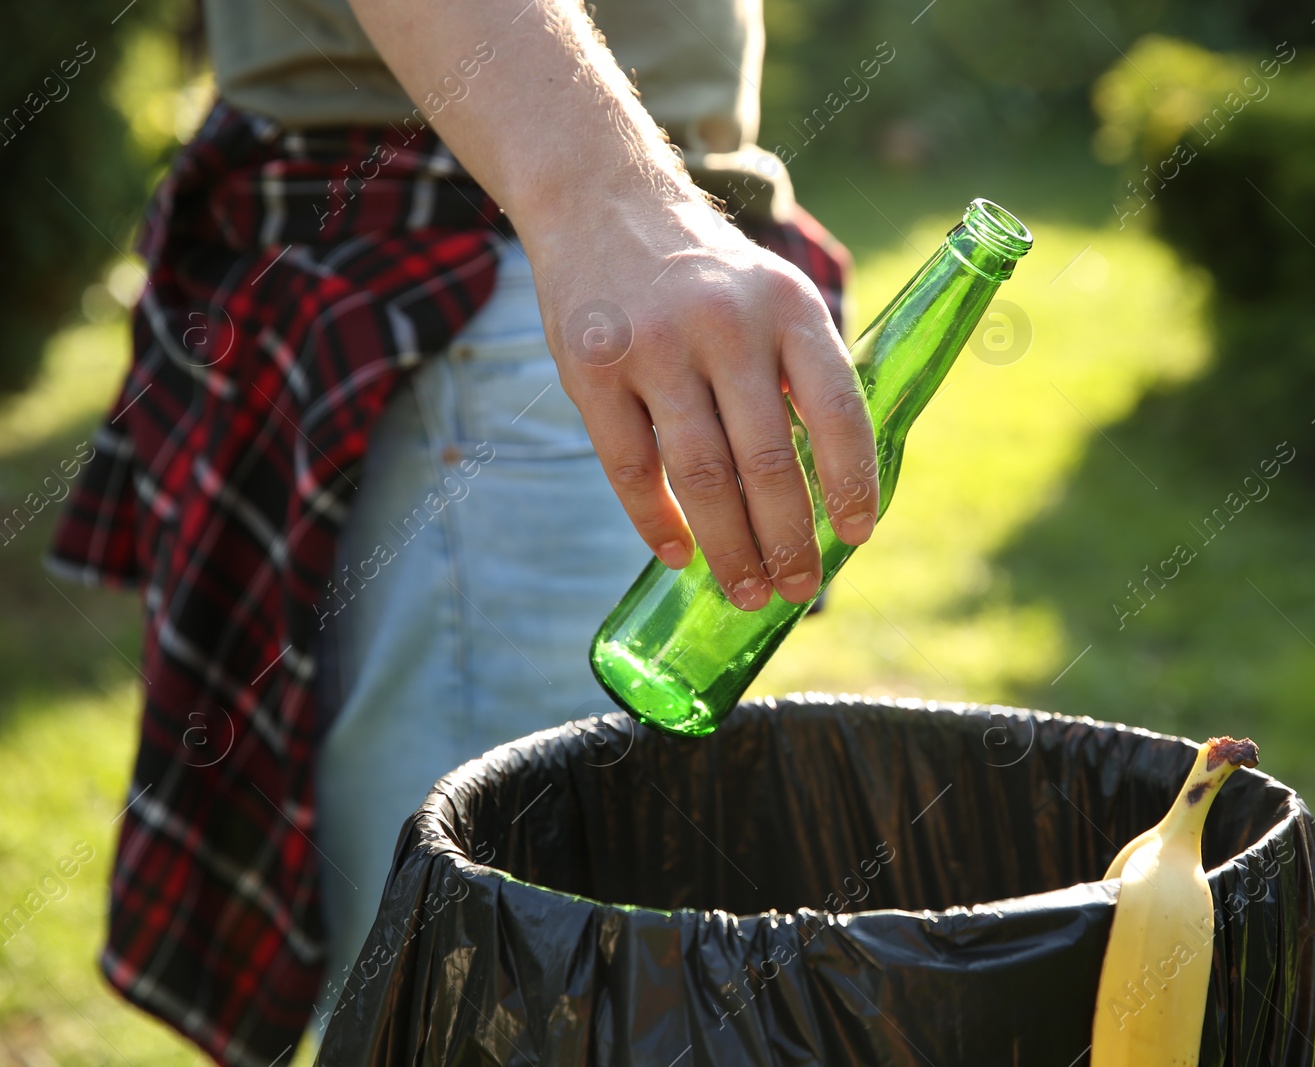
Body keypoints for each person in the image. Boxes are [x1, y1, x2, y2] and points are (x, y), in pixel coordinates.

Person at [48, 0, 878, 1061]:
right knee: (520, 1021)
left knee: (606, 996)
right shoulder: (584, 224)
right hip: (522, 281)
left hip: (585, 281)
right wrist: (608, 197)